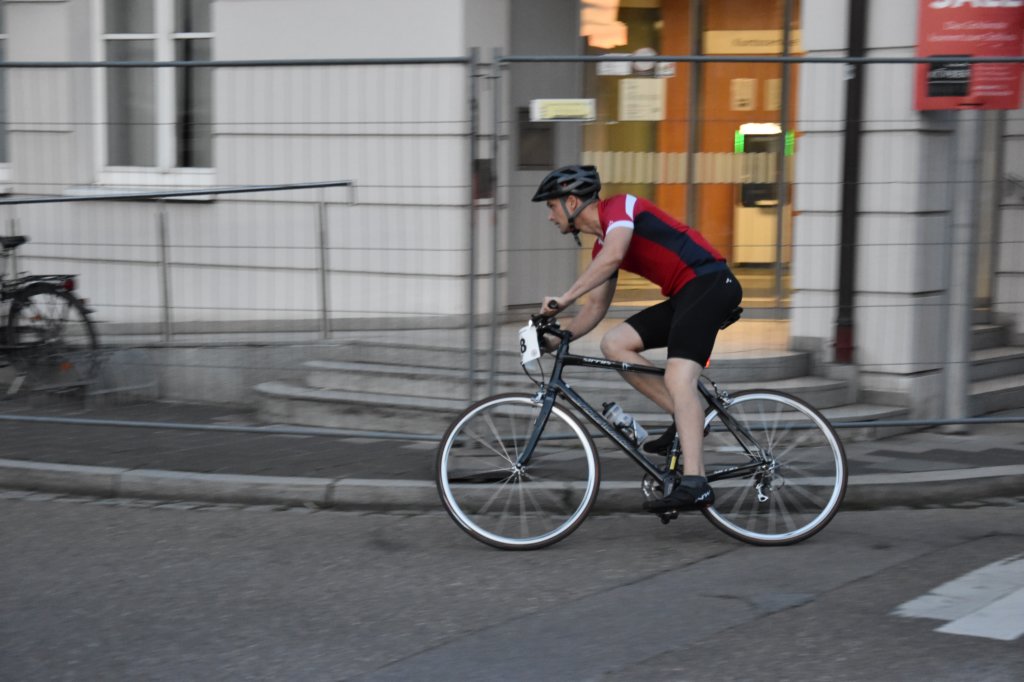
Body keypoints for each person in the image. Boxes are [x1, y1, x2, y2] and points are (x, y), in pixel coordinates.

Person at [533, 164, 742, 513]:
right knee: (614, 343)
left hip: (709, 283)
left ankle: (696, 483)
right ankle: (686, 419)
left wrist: (564, 298)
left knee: (679, 377)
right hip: (685, 295)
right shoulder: (601, 249)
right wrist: (553, 341)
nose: (549, 216)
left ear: (571, 202)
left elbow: (615, 254)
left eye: (552, 206)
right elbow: (595, 308)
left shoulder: (620, 208)